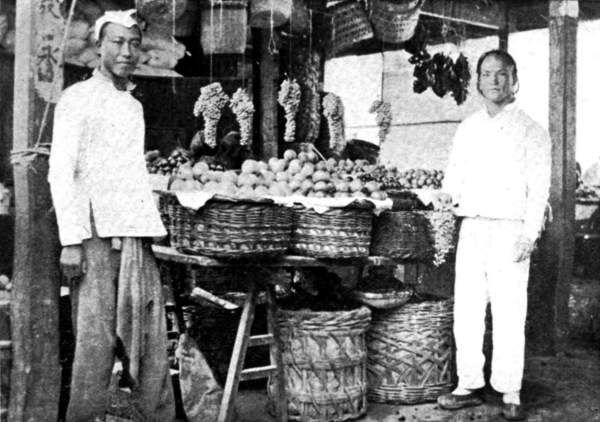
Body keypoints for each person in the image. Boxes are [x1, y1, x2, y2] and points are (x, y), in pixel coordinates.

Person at [48, 10, 175, 422]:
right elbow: (62, 171)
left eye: (134, 43)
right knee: (94, 344)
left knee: (150, 341)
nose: (126, 51)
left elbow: (124, 171)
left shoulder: (133, 105)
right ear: (98, 46)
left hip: (136, 236)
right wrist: (71, 240)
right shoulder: (77, 99)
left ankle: (156, 417)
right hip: (96, 238)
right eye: (117, 42)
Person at [436, 50, 551, 421]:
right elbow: (453, 176)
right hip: (472, 226)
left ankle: (509, 389)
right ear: (478, 82)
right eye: (487, 74)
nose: (494, 81)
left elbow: (540, 189)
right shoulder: (468, 127)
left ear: (514, 79)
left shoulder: (532, 129)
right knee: (467, 309)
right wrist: (445, 196)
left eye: (502, 74)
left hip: (510, 230)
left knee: (509, 311)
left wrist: (529, 234)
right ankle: (468, 384)